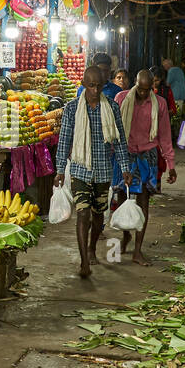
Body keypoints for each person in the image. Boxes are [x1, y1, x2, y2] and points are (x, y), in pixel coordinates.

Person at [55, 67, 134, 279]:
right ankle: (83, 262)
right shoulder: (72, 109)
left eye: (99, 85)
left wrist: (125, 167)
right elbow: (64, 141)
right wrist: (60, 170)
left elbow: (119, 141)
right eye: (91, 85)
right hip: (80, 170)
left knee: (99, 215)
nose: (95, 89)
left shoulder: (112, 108)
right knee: (83, 214)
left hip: (103, 172)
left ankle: (92, 247)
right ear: (83, 83)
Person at [110, 70, 177, 265]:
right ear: (135, 84)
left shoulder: (160, 104)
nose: (142, 94)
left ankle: (137, 250)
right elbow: (114, 129)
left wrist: (171, 164)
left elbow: (164, 135)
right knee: (122, 197)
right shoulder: (121, 98)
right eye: (140, 89)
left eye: (147, 90)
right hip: (125, 154)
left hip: (147, 156)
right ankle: (125, 235)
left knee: (144, 201)